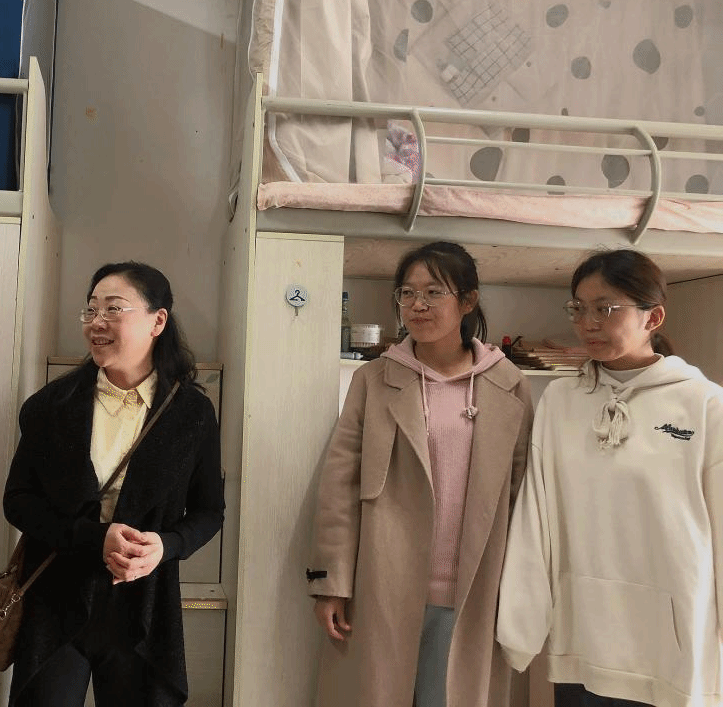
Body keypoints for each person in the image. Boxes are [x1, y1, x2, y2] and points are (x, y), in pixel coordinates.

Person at [307, 241, 534, 707]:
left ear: (467, 301)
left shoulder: (508, 383)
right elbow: (340, 485)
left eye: (433, 292)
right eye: (407, 293)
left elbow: (522, 497)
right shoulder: (374, 379)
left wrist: (523, 589)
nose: (417, 305)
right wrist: (330, 583)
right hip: (383, 585)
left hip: (475, 591)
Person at [497, 249, 723, 707]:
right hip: (583, 642)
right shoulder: (560, 401)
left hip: (672, 652)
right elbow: (535, 519)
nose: (588, 323)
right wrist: (520, 627)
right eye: (579, 308)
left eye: (606, 309)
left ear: (652, 317)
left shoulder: (705, 405)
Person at [3, 261, 225, 707]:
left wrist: (166, 546)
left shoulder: (191, 414)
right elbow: (19, 501)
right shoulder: (51, 406)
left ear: (157, 321)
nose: (97, 322)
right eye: (91, 310)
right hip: (56, 600)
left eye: (113, 309)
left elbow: (209, 511)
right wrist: (93, 537)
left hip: (144, 605)